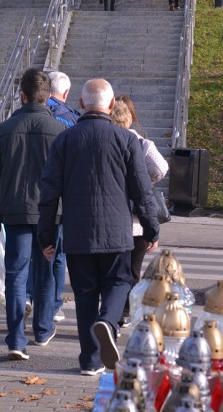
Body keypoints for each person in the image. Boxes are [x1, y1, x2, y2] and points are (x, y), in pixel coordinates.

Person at [38, 79, 159, 376]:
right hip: (117, 232)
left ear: (81, 104)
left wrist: (46, 235)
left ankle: (90, 360)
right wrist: (151, 227)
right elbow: (142, 191)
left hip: (78, 231)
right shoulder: (126, 139)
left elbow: (49, 192)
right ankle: (108, 320)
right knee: (118, 282)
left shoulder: (65, 140)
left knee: (85, 293)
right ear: (109, 105)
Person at [0, 69, 65, 361]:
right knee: (45, 272)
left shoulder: (4, 130)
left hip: (15, 211)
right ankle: (43, 329)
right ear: (47, 96)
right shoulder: (60, 131)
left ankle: (16, 339)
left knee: (16, 275)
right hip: (50, 214)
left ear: (22, 94)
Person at [110, 99, 168, 325]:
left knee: (115, 270)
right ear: (129, 119)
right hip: (138, 220)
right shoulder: (141, 142)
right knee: (134, 270)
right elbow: (161, 168)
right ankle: (128, 311)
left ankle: (115, 311)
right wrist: (144, 182)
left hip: (115, 218)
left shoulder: (108, 141)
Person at [43, 71, 80, 323]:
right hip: (60, 197)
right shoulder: (71, 120)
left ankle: (28, 296)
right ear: (65, 94)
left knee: (32, 250)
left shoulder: (27, 111)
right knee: (57, 252)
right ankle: (54, 303)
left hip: (29, 194)